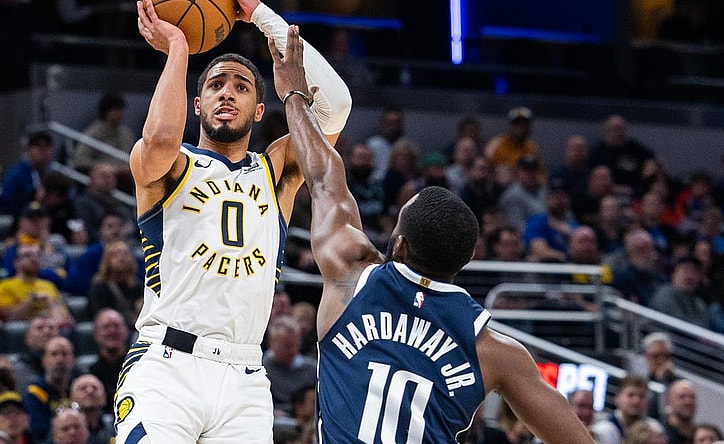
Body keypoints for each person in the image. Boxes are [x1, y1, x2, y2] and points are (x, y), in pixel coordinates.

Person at [271, 25, 592, 443]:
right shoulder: (494, 351)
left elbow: (323, 178)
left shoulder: (352, 273)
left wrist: (294, 97)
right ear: (461, 263)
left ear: (399, 244)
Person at [113, 1, 351, 443]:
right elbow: (162, 136)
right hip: (167, 365)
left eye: (241, 87)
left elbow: (336, 107)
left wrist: (261, 14)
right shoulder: (170, 165)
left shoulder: (276, 171)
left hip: (245, 377)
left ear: (259, 110)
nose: (227, 93)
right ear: (197, 103)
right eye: (216, 85)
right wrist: (179, 48)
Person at [22, 336, 75, 442]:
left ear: (73, 360)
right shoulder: (35, 393)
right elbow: (39, 432)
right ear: (44, 360)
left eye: (64, 354)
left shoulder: (81, 387)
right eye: (54, 354)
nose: (60, 360)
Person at [262, 315, 317, 418]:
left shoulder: (312, 369)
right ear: (271, 343)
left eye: (295, 344)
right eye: (286, 346)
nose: (292, 350)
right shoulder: (260, 369)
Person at [591, 375, 663, 444]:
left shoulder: (655, 428)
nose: (636, 401)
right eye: (630, 395)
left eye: (641, 396)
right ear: (617, 398)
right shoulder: (602, 430)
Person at [660, 379, 697, 444]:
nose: (688, 402)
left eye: (692, 397)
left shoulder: (700, 435)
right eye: (682, 397)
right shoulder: (659, 432)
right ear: (669, 402)